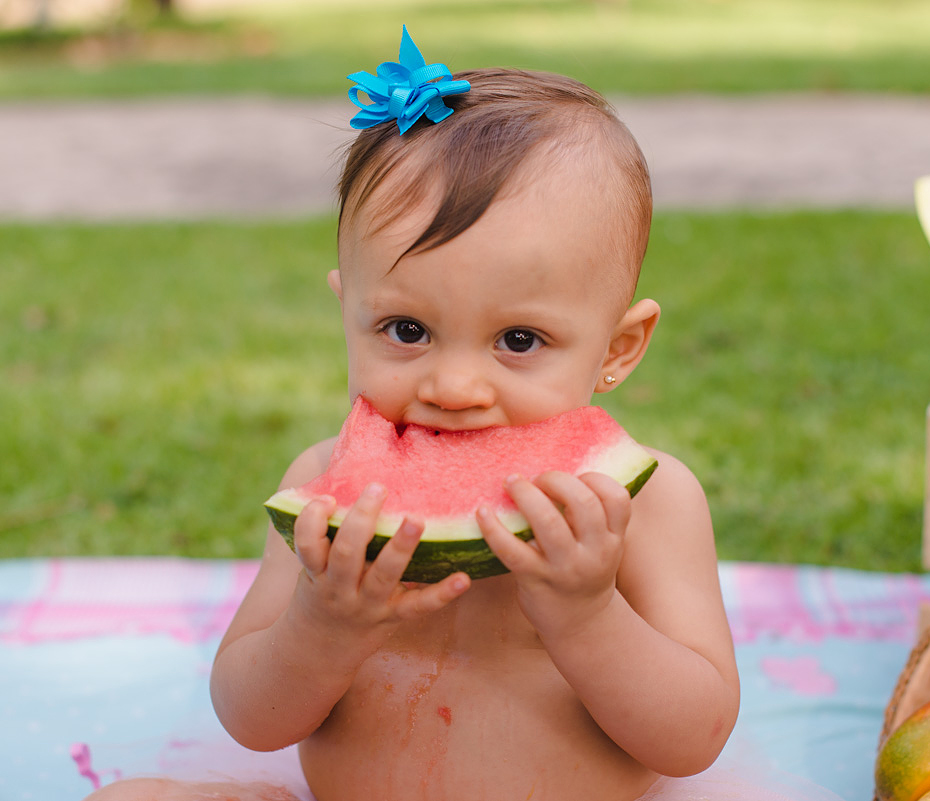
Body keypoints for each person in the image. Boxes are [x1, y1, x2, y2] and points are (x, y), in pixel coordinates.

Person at [84, 28, 748, 801]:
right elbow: (250, 718)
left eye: (519, 339)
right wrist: (321, 624)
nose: (455, 385)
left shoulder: (650, 500)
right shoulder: (328, 485)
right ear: (349, 310)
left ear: (619, 347)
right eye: (407, 331)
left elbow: (692, 737)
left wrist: (588, 613)